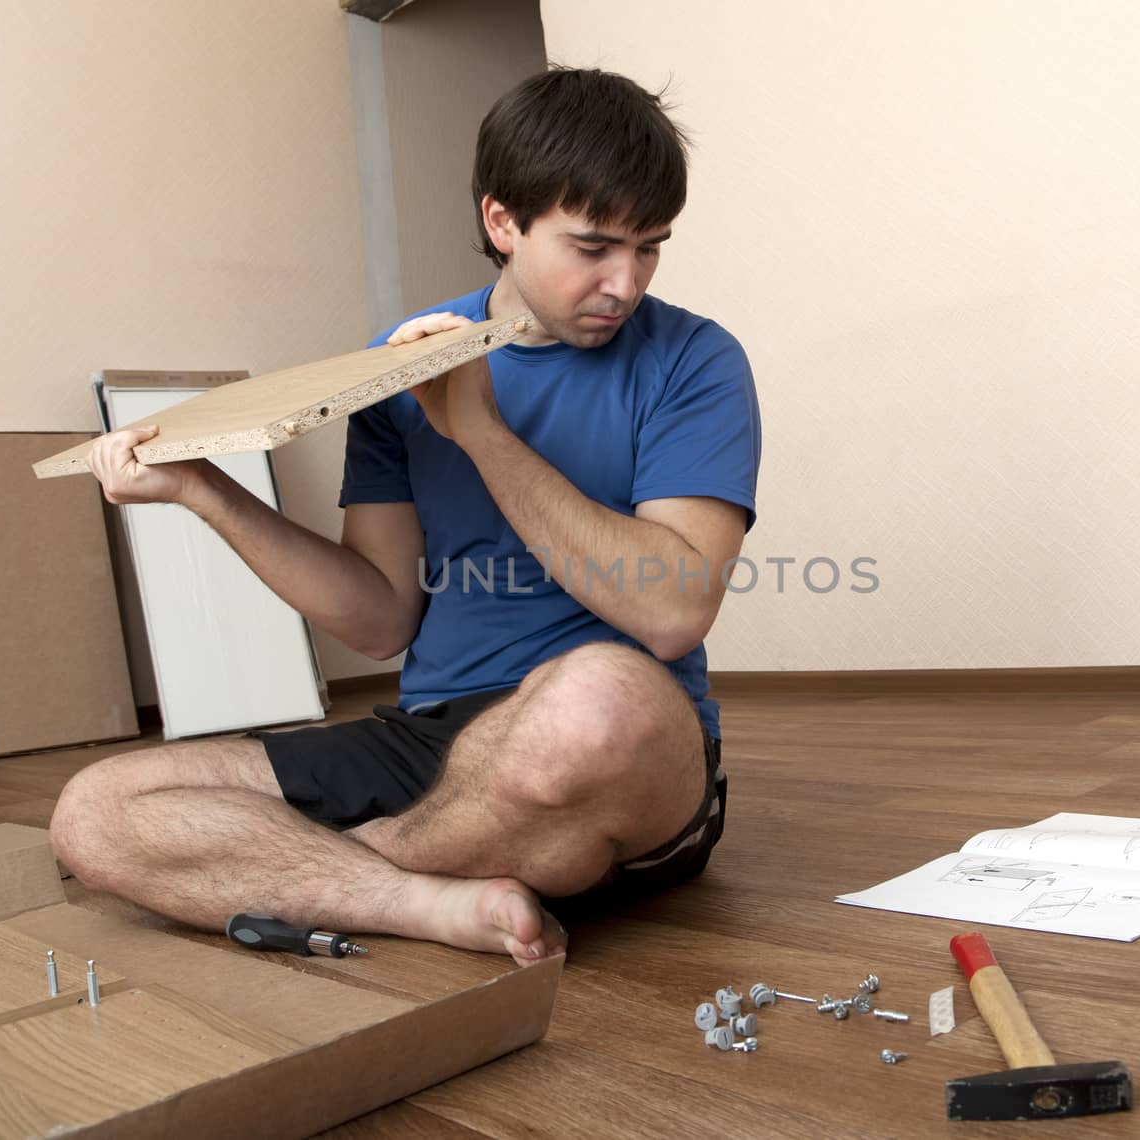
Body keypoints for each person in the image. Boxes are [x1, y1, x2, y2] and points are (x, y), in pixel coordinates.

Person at [50, 67, 762, 965]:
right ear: (504, 223)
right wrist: (203, 491)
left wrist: (481, 433)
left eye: (649, 247)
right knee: (97, 811)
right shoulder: (402, 367)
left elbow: (671, 612)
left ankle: (337, 875)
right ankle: (427, 903)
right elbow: (382, 618)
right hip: (428, 737)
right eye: (592, 248)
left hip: (611, 744)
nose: (625, 282)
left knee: (598, 700)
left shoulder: (695, 361)